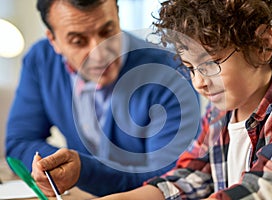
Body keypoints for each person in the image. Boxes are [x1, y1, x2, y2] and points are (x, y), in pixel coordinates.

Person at [91, 0, 272, 199]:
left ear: (262, 45)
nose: (199, 82)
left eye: (210, 63)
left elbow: (265, 189)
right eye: (191, 68)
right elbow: (189, 178)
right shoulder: (217, 116)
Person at [5, 0, 200, 197]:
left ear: (118, 16)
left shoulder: (171, 73)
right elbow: (18, 143)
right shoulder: (41, 61)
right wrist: (55, 167)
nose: (99, 54)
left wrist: (83, 171)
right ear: (53, 40)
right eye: (78, 41)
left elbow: (172, 177)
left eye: (107, 32)